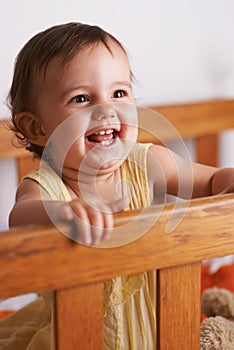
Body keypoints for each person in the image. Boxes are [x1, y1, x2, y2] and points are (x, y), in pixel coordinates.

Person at [2, 22, 234, 349]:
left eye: (119, 93)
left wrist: (229, 179)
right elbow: (21, 216)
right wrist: (60, 214)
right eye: (81, 98)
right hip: (76, 336)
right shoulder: (47, 188)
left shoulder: (146, 163)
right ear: (37, 127)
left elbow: (211, 180)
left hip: (164, 327)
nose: (106, 109)